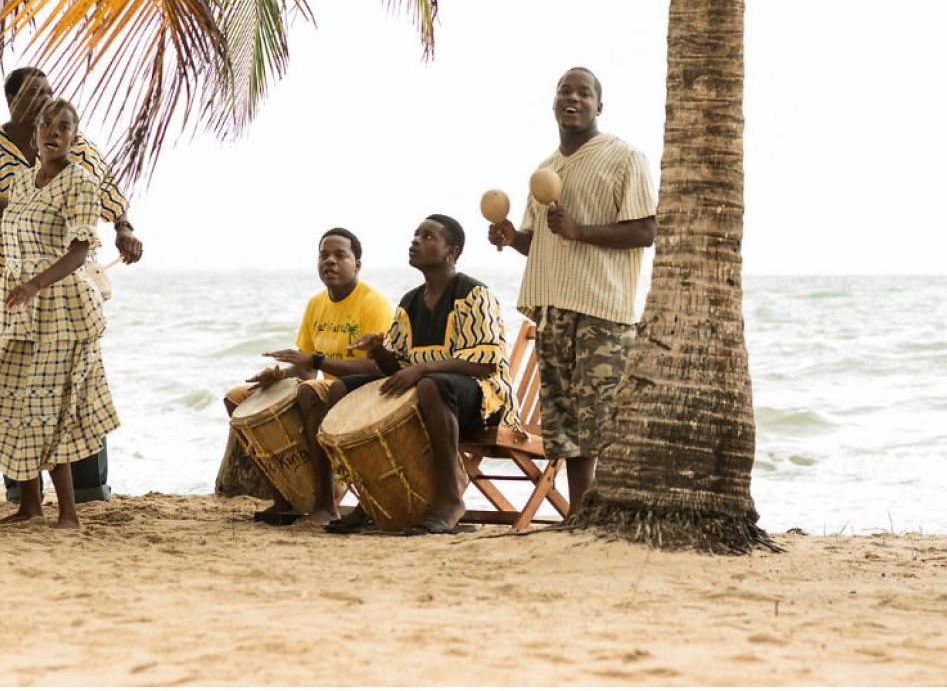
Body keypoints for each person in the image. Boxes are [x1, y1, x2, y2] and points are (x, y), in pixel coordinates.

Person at [0, 67, 142, 503]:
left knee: (75, 385)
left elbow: (109, 194)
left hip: (67, 294)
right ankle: (24, 496)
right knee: (14, 388)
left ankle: (87, 492)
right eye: (34, 95)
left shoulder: (76, 147)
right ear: (12, 102)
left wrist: (124, 228)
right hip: (9, 292)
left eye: (50, 93)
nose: (46, 102)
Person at [488, 67, 656, 515]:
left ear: (600, 106)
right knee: (567, 422)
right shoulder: (545, 171)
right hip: (553, 306)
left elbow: (646, 229)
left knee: (602, 416)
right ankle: (581, 514)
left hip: (603, 307)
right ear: (554, 103)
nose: (574, 99)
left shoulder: (624, 158)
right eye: (566, 91)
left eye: (585, 93)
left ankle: (614, 508)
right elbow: (542, 243)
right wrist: (510, 237)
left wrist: (580, 230)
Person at [0, 98, 121, 528]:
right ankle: (30, 505)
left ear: (74, 136)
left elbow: (79, 251)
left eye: (64, 127)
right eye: (47, 125)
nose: (54, 132)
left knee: (50, 408)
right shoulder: (21, 183)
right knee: (9, 401)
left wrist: (37, 283)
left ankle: (69, 514)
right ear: (35, 133)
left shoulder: (81, 183)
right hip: (18, 309)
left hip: (64, 311)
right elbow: (3, 219)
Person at [321, 215, 519, 534]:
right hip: (429, 393)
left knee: (430, 384)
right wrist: (378, 351)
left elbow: (485, 363)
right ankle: (372, 497)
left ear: (451, 252)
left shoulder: (474, 294)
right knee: (343, 388)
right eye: (415, 235)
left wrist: (423, 367)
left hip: (484, 400)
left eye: (427, 236)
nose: (415, 241)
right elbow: (397, 370)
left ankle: (451, 499)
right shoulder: (409, 302)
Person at [226, 228, 394, 525]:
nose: (330, 261)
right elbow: (306, 369)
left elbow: (378, 368)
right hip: (322, 388)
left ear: (357, 264)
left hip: (364, 392)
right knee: (238, 399)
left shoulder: (373, 303)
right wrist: (278, 375)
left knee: (310, 391)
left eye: (340, 255)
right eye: (323, 255)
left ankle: (326, 504)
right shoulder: (316, 304)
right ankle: (285, 496)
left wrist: (316, 360)